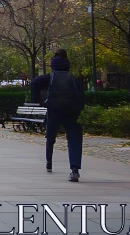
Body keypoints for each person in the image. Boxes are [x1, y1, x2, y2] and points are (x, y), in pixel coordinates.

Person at [31, 49, 85, 182]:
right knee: (74, 139)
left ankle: (49, 162)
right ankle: (74, 170)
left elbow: (34, 83)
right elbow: (81, 95)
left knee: (50, 136)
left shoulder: (50, 77)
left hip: (54, 110)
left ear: (53, 65)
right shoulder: (72, 78)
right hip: (71, 112)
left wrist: (39, 101)